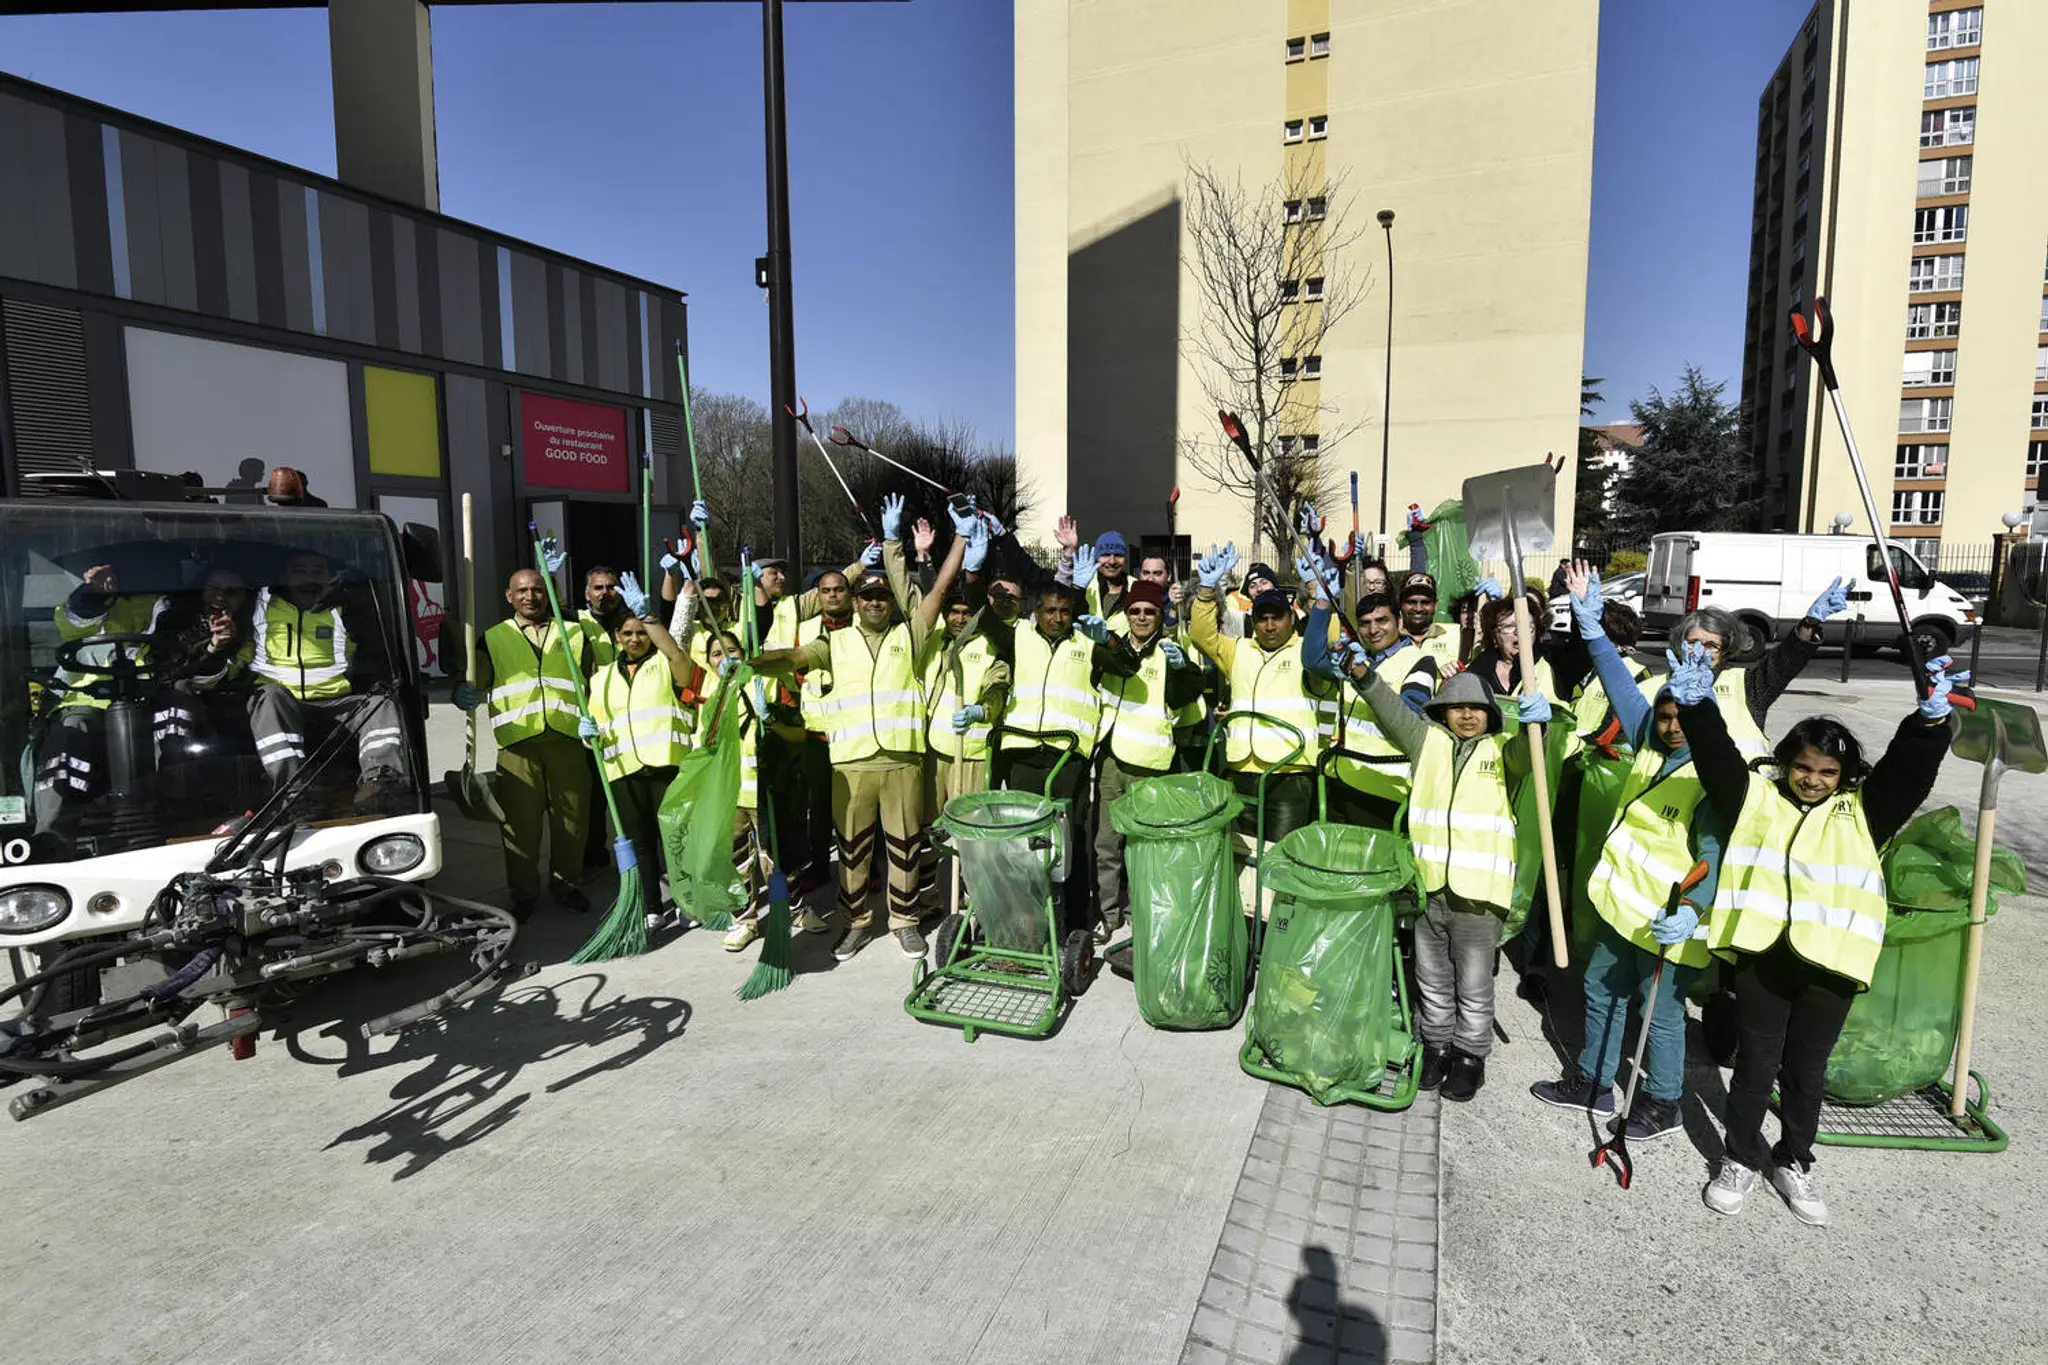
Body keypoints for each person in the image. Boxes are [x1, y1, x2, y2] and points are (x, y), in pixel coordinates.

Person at [1684, 647, 1957, 1227]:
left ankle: (1795, 1162)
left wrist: (1927, 726)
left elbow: (1908, 772)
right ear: (1786, 763)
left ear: (1845, 776)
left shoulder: (1865, 812)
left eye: (1827, 772)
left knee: (1808, 1072)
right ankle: (1738, 1159)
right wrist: (1697, 707)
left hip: (1831, 964)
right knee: (1756, 1065)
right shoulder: (1754, 798)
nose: (1813, 780)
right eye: (1804, 767)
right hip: (1763, 956)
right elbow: (1715, 758)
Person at [1530, 565, 1724, 1142]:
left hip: (1670, 917)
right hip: (1624, 908)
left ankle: (1663, 1102)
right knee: (1600, 989)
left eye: (1682, 718)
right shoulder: (1645, 736)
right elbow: (1620, 684)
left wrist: (1696, 907)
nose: (1670, 726)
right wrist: (1590, 630)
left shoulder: (1710, 770)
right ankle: (1592, 1079)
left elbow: (1716, 849)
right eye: (1664, 716)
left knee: (1661, 1014)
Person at [752, 495, 970, 960]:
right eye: (867, 596)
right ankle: (855, 923)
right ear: (856, 601)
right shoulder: (832, 640)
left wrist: (963, 539)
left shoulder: (908, 635)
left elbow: (939, 590)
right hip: (849, 765)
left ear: (890, 602)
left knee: (906, 847)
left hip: (902, 762)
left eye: (881, 597)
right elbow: (794, 658)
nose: (874, 602)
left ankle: (906, 921)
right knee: (851, 851)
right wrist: (751, 664)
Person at [1345, 660, 1547, 1102]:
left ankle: (1469, 1057)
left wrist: (1538, 728)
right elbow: (1390, 709)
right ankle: (1435, 1046)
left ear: (1491, 715)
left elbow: (1527, 756)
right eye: (1457, 707)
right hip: (1428, 890)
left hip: (1479, 900)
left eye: (1477, 708)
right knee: (1431, 979)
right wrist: (1365, 678)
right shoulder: (1425, 740)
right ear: (1441, 711)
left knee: (1473, 987)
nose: (1467, 715)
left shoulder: (1502, 751)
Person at [986, 572, 1137, 941]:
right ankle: (1023, 918)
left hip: (1067, 757)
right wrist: (974, 576)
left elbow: (1128, 666)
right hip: (1021, 753)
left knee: (1070, 841)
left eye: (1065, 611)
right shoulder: (1018, 636)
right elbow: (986, 618)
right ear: (1036, 612)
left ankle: (1075, 922)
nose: (1057, 618)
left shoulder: (1085, 643)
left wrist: (1112, 640)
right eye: (1050, 610)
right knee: (1022, 841)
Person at [455, 566, 592, 919]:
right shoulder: (492, 637)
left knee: (572, 822)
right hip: (517, 746)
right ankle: (524, 895)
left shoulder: (574, 633)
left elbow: (596, 680)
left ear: (548, 595)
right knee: (519, 826)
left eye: (537, 590)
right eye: (522, 590)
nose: (530, 596)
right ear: (509, 596)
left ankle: (567, 885)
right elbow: (478, 680)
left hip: (567, 740)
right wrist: (464, 692)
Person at [1189, 543, 1333, 850]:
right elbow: (1202, 636)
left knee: (1278, 857)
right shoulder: (1239, 649)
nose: (1269, 625)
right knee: (1241, 856)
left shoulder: (1305, 651)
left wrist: (1317, 592)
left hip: (1289, 775)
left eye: (1277, 617)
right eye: (1263, 617)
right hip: (1240, 770)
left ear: (1291, 619)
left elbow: (1332, 641)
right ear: (1253, 619)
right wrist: (1205, 591)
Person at [246, 547, 408, 803]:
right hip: (285, 703)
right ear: (284, 577)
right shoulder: (262, 607)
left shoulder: (344, 610)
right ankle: (292, 790)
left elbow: (376, 648)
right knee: (269, 696)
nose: (309, 579)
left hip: (336, 703)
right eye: (300, 571)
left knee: (380, 703)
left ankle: (379, 784)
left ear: (330, 577)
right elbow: (239, 654)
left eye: (318, 571)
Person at [1093, 579, 1207, 936]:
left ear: (1160, 615)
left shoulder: (1172, 649)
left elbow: (1186, 697)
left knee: (1145, 849)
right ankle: (1108, 914)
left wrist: (1181, 669)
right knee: (1107, 845)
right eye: (1135, 611)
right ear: (1126, 614)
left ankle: (1141, 912)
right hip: (1113, 760)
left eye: (1149, 611)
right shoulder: (1114, 644)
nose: (1141, 617)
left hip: (1152, 764)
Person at [582, 572, 695, 916]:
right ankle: (651, 908)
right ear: (616, 637)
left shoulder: (665, 664)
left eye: (641, 633)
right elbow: (599, 723)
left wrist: (650, 618)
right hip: (624, 772)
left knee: (676, 841)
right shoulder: (600, 678)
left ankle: (688, 902)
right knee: (641, 842)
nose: (635, 639)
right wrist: (588, 736)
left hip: (666, 766)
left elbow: (679, 659)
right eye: (627, 633)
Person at [1302, 585, 1434, 829]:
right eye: (1365, 623)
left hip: (1384, 793)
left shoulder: (1421, 662)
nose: (1373, 630)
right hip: (1341, 780)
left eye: (1382, 620)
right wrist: (1322, 604)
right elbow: (1312, 661)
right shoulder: (1356, 657)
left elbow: (1409, 723)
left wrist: (1366, 676)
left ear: (1400, 622)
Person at [1396, 572, 1460, 678]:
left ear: (1435, 605)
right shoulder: (1389, 639)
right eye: (1411, 602)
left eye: (1425, 602)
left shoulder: (1457, 634)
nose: (1418, 608)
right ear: (1400, 604)